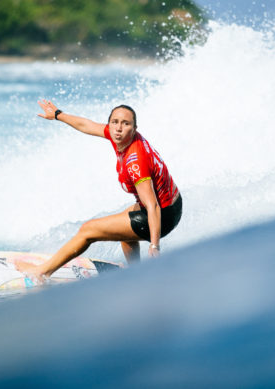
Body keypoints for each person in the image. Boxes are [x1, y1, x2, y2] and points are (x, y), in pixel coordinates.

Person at [15, 99, 182, 281]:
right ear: (109, 124)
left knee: (88, 230)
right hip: (171, 203)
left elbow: (153, 206)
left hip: (162, 214)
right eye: (114, 122)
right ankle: (138, 274)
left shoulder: (135, 162)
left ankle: (41, 273)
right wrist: (58, 115)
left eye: (125, 124)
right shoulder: (120, 135)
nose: (118, 128)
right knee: (123, 231)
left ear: (134, 128)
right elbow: (87, 125)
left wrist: (154, 246)